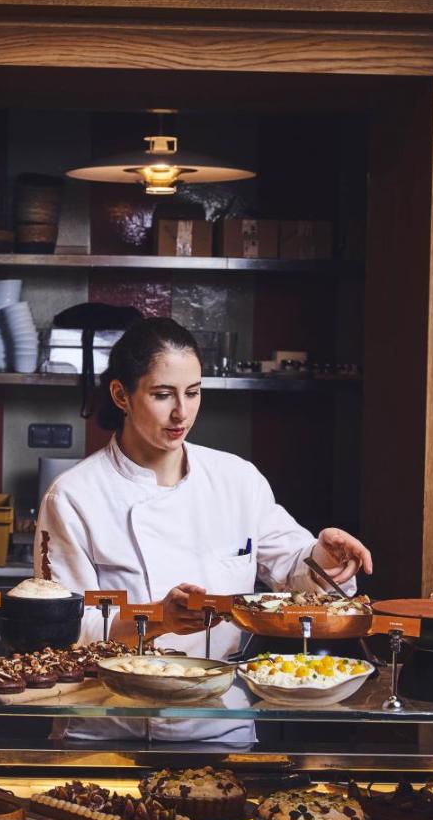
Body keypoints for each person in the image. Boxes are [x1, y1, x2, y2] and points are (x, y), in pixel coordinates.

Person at [37, 317, 372, 743]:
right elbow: (60, 632)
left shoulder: (237, 480)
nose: (181, 412)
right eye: (163, 395)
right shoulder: (74, 496)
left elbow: (294, 571)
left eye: (193, 392)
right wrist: (157, 619)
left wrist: (325, 555)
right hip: (107, 727)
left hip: (220, 724)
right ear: (121, 395)